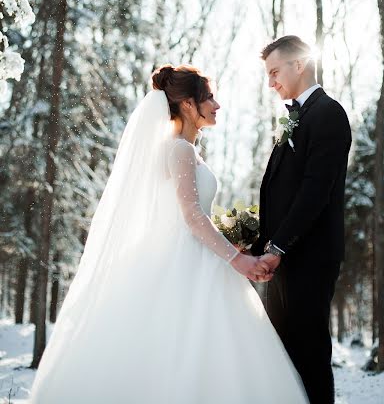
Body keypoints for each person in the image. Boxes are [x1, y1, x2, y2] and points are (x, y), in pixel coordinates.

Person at [29, 64, 308, 403]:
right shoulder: (180, 150)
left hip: (195, 256)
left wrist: (230, 242)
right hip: (186, 265)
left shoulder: (186, 150)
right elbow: (191, 217)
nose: (217, 106)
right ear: (188, 105)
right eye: (210, 98)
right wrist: (238, 260)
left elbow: (189, 216)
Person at [251, 36, 352, 404]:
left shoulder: (329, 114)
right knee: (283, 355)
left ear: (300, 64)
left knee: (308, 355)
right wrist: (259, 242)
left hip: (309, 257)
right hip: (285, 258)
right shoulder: (296, 116)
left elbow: (315, 191)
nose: (271, 82)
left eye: (274, 71)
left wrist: (277, 246)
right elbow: (280, 188)